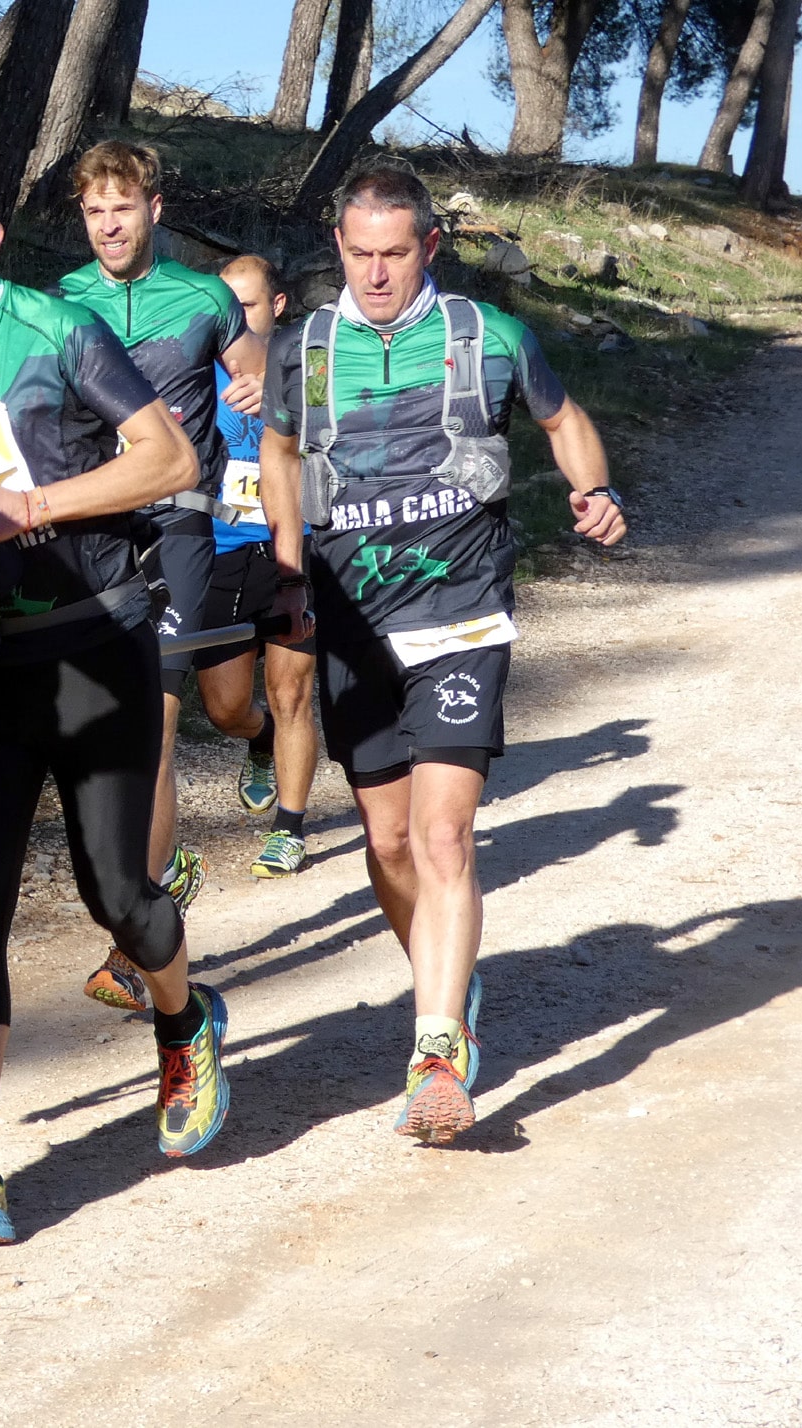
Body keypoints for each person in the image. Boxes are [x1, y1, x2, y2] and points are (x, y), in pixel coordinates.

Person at [0, 170, 230, 1247]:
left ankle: (182, 1017)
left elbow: (165, 456)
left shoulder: (55, 329)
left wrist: (33, 506)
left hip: (97, 643)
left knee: (115, 889)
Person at [259, 160, 627, 1144]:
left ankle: (433, 1049)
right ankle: (446, 988)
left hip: (461, 617)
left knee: (441, 837)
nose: (374, 274)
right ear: (338, 247)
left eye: (393, 253)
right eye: (357, 253)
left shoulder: (487, 337)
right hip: (351, 628)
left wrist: (592, 490)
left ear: (428, 246)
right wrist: (286, 567)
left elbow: (564, 420)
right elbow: (279, 453)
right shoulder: (307, 350)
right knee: (384, 844)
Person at [55, 140, 271, 1013]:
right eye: (92, 210)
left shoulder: (205, 297)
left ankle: (129, 943)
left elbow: (263, 380)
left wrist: (262, 393)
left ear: (153, 207)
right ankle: (159, 872)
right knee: (99, 733)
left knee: (153, 724)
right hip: (93, 521)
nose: (108, 224)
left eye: (122, 206)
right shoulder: (59, 301)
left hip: (180, 517)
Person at [191, 254, 320, 878]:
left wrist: (278, 387)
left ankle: (290, 827)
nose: (231, 317)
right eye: (224, 305)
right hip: (218, 546)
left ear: (277, 306)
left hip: (291, 543)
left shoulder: (309, 363)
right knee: (224, 707)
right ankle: (258, 738)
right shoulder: (193, 365)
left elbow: (343, 434)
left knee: (291, 690)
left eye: (245, 304)